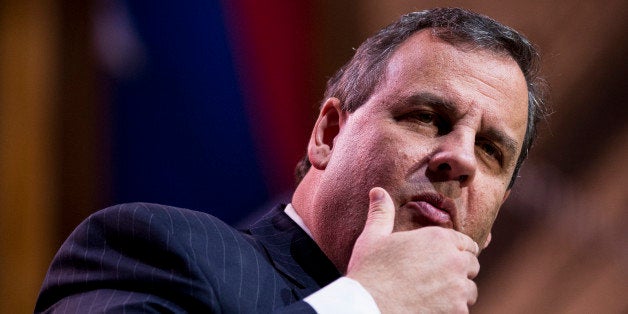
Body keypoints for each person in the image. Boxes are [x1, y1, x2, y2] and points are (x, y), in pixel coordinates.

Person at [35, 7, 547, 313]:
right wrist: (364, 302)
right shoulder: (154, 249)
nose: (459, 157)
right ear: (327, 132)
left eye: (490, 150)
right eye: (427, 117)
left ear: (489, 228)